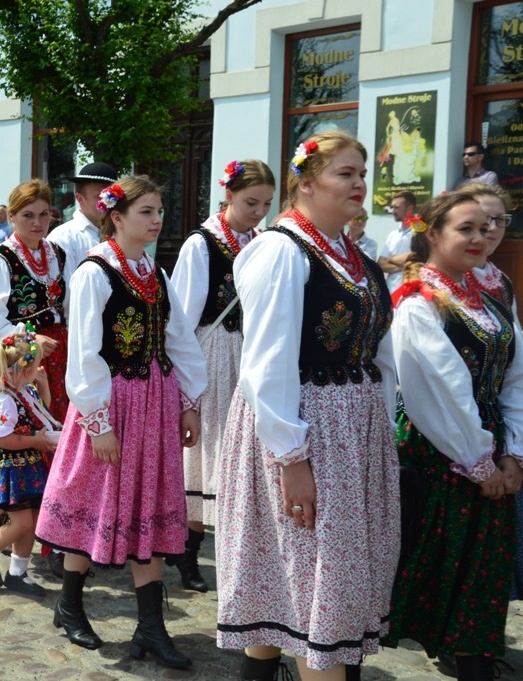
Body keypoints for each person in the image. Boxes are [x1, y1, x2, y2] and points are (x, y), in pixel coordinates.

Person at [214, 132, 398, 681]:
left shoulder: (355, 258)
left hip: (352, 436)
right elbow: (266, 365)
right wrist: (291, 458)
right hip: (303, 432)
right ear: (308, 183)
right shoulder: (282, 251)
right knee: (307, 579)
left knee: (306, 583)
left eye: (361, 173)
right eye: (345, 173)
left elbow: (379, 355)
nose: (359, 183)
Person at [35, 176, 206, 669]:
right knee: (96, 501)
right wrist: (99, 422)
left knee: (149, 505)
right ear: (117, 217)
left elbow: (178, 338)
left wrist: (189, 400)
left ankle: (150, 624)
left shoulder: (155, 270)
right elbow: (84, 353)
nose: (157, 220)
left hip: (155, 403)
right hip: (113, 405)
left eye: (159, 211)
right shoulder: (95, 272)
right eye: (146, 211)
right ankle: (70, 604)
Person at [381, 192, 523, 681]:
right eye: (466, 228)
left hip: (492, 450)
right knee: (438, 572)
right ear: (432, 234)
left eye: (486, 227)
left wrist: (516, 452)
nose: (481, 237)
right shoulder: (418, 303)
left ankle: (476, 661)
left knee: (483, 578)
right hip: (442, 455)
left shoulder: (488, 299)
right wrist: (478, 459)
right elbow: (439, 391)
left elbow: (521, 376)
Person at [168, 159, 275, 594]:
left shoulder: (262, 242)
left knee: (243, 453)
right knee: (205, 455)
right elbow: (182, 319)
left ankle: (236, 552)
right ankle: (188, 551)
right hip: (211, 352)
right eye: (251, 203)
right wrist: (186, 386)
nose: (258, 212)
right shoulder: (202, 244)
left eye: (266, 204)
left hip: (249, 352)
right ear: (228, 196)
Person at [452, 182, 523, 606]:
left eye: (499, 220)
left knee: (501, 538)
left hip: (498, 420)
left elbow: (517, 357)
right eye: (479, 221)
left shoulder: (500, 281)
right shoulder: (438, 281)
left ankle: (485, 621)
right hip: (455, 424)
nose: (490, 229)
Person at [0, 323, 60, 596]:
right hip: (10, 470)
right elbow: (1, 439)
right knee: (21, 523)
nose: (39, 370)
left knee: (31, 522)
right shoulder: (3, 399)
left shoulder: (24, 389)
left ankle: (17, 573)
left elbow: (42, 410)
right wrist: (36, 441)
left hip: (28, 466)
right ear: (22, 369)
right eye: (35, 366)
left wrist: (43, 386)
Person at [0, 179, 69, 424]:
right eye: (28, 215)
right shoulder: (1, 259)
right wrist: (29, 338)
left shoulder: (56, 253)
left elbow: (67, 306)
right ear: (12, 216)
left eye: (44, 214)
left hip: (59, 352)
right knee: (24, 427)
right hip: (19, 357)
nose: (37, 223)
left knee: (59, 422)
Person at [46, 161, 119, 316]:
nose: (108, 202)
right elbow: (64, 295)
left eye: (112, 196)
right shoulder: (63, 237)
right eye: (99, 196)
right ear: (80, 199)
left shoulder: (121, 234)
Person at [377, 190, 417, 293]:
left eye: (397, 207)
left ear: (410, 209)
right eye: (392, 207)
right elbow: (381, 264)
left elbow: (417, 258)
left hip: (411, 292)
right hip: (391, 292)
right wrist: (406, 265)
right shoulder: (393, 235)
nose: (393, 211)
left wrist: (391, 259)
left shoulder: (420, 233)